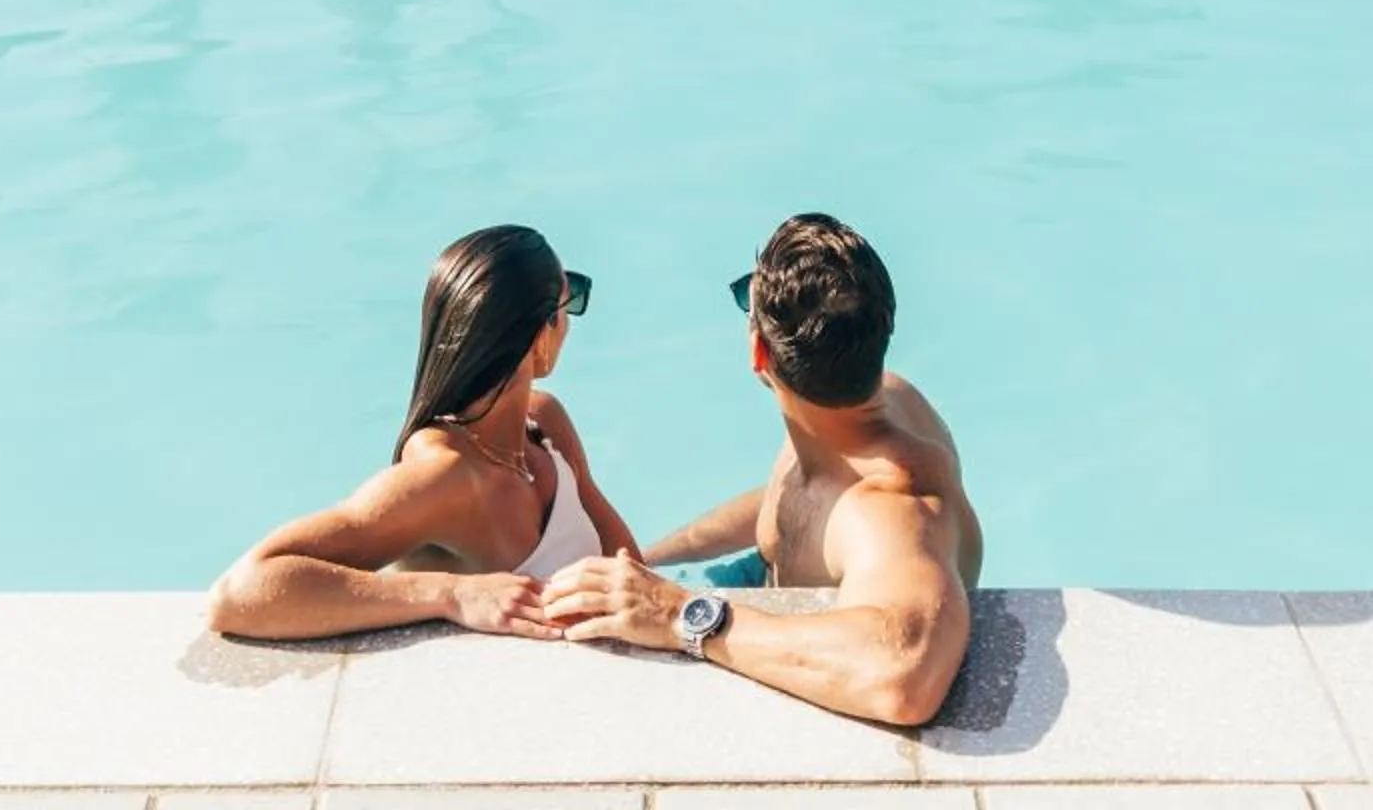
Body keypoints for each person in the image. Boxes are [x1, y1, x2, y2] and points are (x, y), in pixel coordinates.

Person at [540, 213, 982, 726]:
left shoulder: (890, 510)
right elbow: (791, 495)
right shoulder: (848, 407)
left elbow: (903, 674)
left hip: (808, 634)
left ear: (758, 352)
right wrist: (653, 560)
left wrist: (677, 613)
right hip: (760, 575)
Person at [207, 225, 636, 640]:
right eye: (569, 303)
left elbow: (631, 571)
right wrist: (451, 593)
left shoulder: (544, 424)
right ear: (541, 335)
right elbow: (240, 593)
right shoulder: (445, 477)